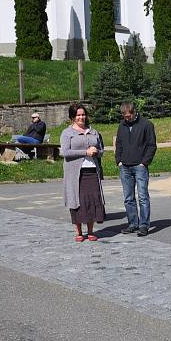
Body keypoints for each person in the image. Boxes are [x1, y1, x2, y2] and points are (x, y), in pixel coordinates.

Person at [61, 104, 105, 242]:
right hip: (75, 174)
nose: (81, 117)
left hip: (92, 170)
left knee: (92, 200)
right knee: (78, 201)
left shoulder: (93, 132)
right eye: (78, 115)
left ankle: (91, 231)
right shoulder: (67, 133)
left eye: (83, 114)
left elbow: (102, 151)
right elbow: (65, 152)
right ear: (73, 117)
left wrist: (97, 152)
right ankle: (79, 232)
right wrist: (85, 152)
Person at [115, 102, 157, 236]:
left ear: (134, 112)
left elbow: (152, 145)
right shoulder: (122, 126)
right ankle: (133, 223)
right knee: (128, 198)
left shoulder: (146, 124)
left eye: (128, 116)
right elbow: (119, 144)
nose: (126, 118)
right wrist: (119, 161)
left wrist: (144, 163)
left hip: (140, 166)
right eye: (124, 116)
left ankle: (144, 225)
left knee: (143, 197)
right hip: (125, 167)